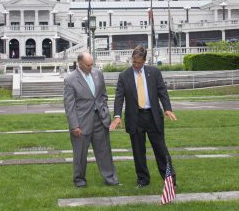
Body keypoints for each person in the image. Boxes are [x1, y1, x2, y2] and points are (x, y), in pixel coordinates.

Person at [110, 45, 177, 188]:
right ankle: (143, 180)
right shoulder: (124, 76)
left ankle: (170, 180)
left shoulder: (154, 73)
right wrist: (117, 115)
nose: (136, 65)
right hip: (135, 118)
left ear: (145, 61)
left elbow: (162, 92)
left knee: (161, 150)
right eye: (134, 62)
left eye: (139, 62)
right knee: (138, 152)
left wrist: (167, 109)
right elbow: (119, 97)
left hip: (153, 117)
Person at [64, 52, 119, 187]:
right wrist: (74, 126)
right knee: (80, 154)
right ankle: (79, 180)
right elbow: (69, 106)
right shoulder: (70, 80)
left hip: (100, 120)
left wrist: (104, 109)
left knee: (104, 152)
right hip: (81, 123)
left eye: (92, 64)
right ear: (80, 64)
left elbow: (103, 95)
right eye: (88, 65)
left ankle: (111, 179)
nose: (91, 67)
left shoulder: (98, 74)